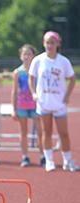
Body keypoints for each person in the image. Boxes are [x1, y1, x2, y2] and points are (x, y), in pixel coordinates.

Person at [29, 31, 78, 172]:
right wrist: (33, 93)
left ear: (58, 44)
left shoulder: (63, 61)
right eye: (47, 42)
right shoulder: (38, 60)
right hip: (44, 102)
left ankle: (67, 160)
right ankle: (49, 160)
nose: (49, 45)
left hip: (59, 103)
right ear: (43, 43)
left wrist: (67, 95)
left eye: (52, 42)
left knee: (64, 133)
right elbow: (31, 77)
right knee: (47, 132)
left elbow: (72, 78)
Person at [11, 44, 45, 167]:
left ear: (33, 56)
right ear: (21, 56)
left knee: (41, 132)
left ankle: (43, 156)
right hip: (22, 105)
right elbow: (14, 91)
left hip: (36, 105)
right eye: (24, 54)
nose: (26, 56)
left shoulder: (38, 70)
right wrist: (13, 109)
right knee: (23, 132)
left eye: (29, 54)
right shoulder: (17, 72)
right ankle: (25, 156)